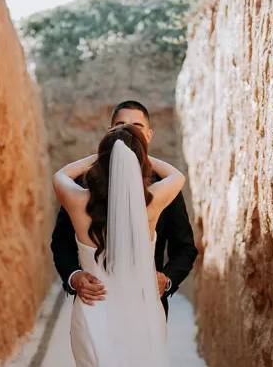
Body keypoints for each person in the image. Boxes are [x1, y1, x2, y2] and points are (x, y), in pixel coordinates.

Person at [52, 122, 188, 366]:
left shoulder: (76, 201)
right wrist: (138, 154)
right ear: (140, 161)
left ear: (101, 162)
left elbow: (60, 175)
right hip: (142, 315)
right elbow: (178, 176)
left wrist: (104, 154)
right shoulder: (152, 203)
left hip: (94, 312)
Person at [50, 100, 198, 317]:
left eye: (136, 128)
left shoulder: (162, 188)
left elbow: (185, 248)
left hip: (147, 308)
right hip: (94, 304)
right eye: (121, 126)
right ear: (109, 132)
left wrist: (167, 280)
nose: (128, 133)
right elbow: (61, 242)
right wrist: (74, 277)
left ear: (149, 135)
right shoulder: (83, 185)